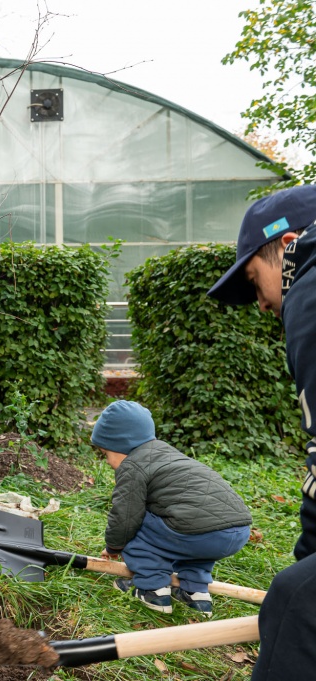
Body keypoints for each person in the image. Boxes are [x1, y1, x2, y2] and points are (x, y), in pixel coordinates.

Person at [207, 185, 316, 679]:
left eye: (254, 281)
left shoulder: (309, 286)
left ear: (289, 244)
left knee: (295, 603)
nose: (260, 304)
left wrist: (306, 570)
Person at [92, 400, 252, 616]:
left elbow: (125, 517)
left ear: (120, 445)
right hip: (237, 530)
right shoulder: (169, 454)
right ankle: (195, 592)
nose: (108, 461)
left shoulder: (133, 465)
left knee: (137, 525)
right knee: (190, 533)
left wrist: (114, 547)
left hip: (197, 529)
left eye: (105, 453)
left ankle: (152, 589)